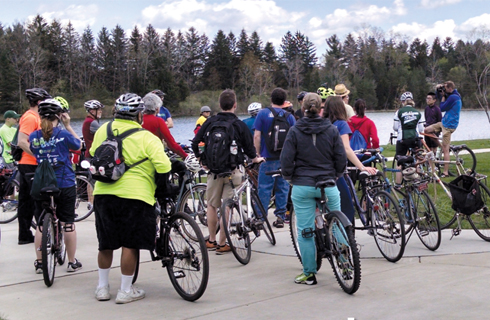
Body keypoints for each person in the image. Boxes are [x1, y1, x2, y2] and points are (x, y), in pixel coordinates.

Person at [90, 93, 172, 304]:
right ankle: (125, 291)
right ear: (139, 116)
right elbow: (164, 166)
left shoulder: (102, 130)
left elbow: (92, 152)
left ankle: (102, 288)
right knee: (130, 244)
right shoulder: (146, 137)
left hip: (103, 193)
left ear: (115, 112)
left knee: (105, 243)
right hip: (135, 196)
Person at [281, 92, 346, 285]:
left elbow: (286, 159)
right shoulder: (332, 129)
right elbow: (340, 157)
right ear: (321, 108)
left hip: (303, 184)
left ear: (302, 108)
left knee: (305, 230)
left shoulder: (294, 130)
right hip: (328, 183)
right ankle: (345, 262)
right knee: (337, 222)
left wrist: (289, 176)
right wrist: (337, 174)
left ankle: (309, 272)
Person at [192, 89, 263, 253]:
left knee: (211, 205)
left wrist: (202, 160)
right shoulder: (239, 124)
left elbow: (196, 142)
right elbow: (250, 149)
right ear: (235, 105)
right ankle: (223, 243)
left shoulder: (210, 122)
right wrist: (256, 159)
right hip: (233, 170)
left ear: (219, 105)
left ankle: (211, 240)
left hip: (214, 171)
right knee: (227, 206)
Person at [29, 98, 83, 274]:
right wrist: (68, 126)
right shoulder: (63, 134)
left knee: (41, 224)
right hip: (64, 182)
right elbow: (79, 145)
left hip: (43, 182)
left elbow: (34, 151)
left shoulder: (34, 136)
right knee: (68, 223)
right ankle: (72, 262)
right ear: (59, 116)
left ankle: (39, 262)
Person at [324, 96, 377, 224]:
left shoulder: (322, 123)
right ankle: (345, 239)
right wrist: (362, 167)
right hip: (335, 171)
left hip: (319, 169)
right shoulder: (341, 124)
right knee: (347, 207)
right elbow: (346, 149)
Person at [254, 88, 296, 228]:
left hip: (267, 158)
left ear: (271, 99)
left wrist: (258, 153)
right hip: (283, 159)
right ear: (284, 101)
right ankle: (280, 217)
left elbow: (257, 136)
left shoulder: (262, 114)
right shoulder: (289, 116)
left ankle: (260, 217)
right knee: (282, 188)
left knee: (264, 188)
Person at [16, 88, 51, 245]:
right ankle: (42, 236)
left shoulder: (36, 116)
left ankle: (24, 235)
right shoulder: (31, 117)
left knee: (26, 201)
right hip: (30, 164)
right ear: (39, 102)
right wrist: (40, 155)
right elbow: (22, 141)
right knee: (39, 200)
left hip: (27, 164)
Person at [424, 82, 461, 176]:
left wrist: (444, 96)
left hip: (449, 126)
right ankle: (439, 145)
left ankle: (445, 172)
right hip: (444, 123)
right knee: (426, 130)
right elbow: (439, 97)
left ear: (449, 89)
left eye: (445, 88)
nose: (444, 90)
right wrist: (438, 90)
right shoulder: (452, 95)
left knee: (445, 150)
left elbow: (442, 107)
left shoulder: (454, 97)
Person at [142, 92, 188, 159]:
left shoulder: (138, 120)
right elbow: (172, 144)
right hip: (154, 155)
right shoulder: (158, 121)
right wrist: (185, 156)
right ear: (157, 109)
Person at [393, 91, 425, 184]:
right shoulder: (418, 112)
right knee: (417, 159)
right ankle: (418, 180)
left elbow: (395, 127)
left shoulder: (399, 112)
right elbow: (421, 129)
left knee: (399, 161)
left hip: (402, 139)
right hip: (415, 138)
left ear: (403, 102)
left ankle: (398, 184)